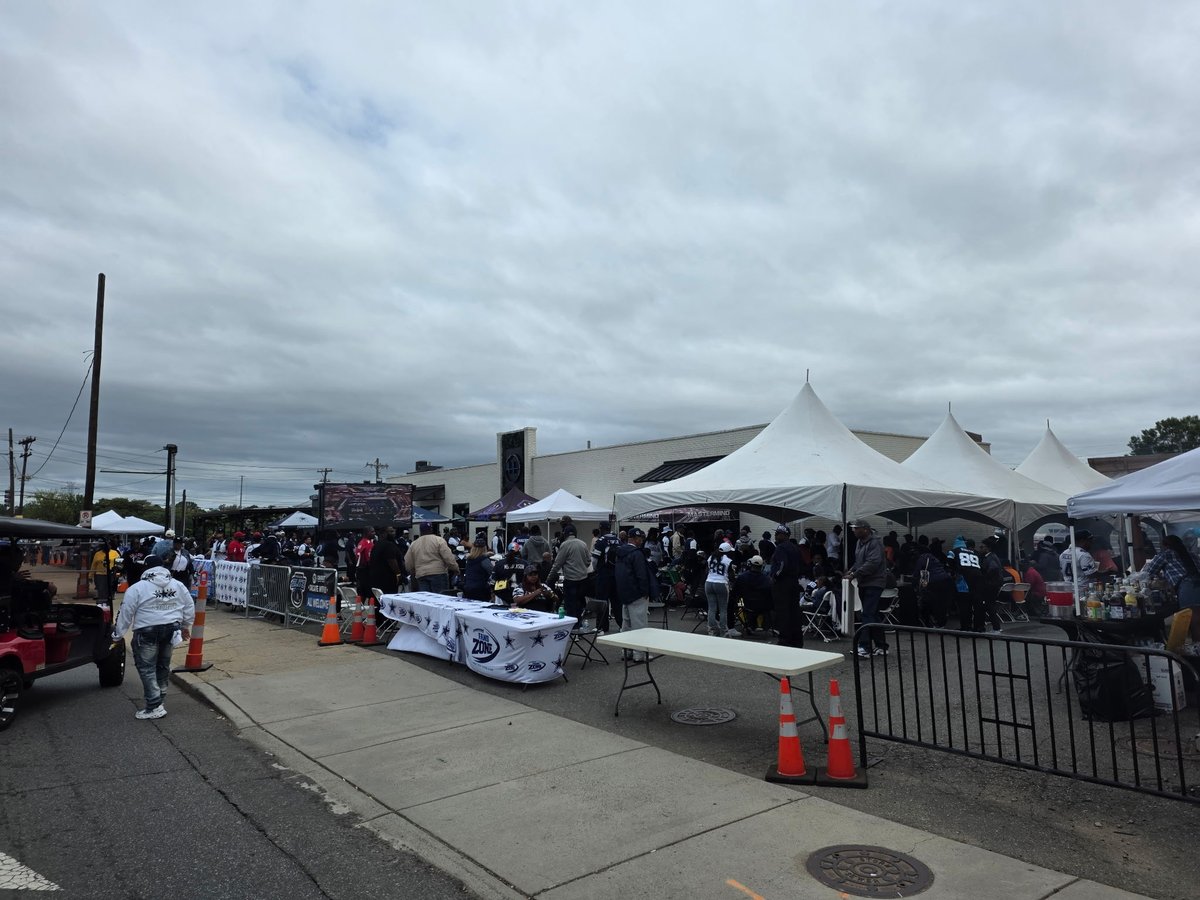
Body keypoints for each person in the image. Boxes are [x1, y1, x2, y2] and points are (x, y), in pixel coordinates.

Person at [111, 555, 195, 720]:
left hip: (147, 630)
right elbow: (189, 606)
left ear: (146, 568)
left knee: (147, 667)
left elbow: (126, 612)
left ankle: (154, 705)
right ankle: (159, 700)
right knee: (163, 665)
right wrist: (186, 625)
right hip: (172, 628)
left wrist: (117, 634)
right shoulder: (178, 585)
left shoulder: (137, 588)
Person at [1138, 535, 1200, 644]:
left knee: (1195, 620)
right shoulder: (1192, 555)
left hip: (1189, 586)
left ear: (1165, 545)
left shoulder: (1165, 554)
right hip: (1195, 582)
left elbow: (1147, 573)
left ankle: (1197, 650)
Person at [613, 528, 658, 660]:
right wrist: (645, 592)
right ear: (634, 538)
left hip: (624, 592)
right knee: (639, 624)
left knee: (626, 625)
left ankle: (626, 652)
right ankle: (639, 654)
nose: (642, 540)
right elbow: (641, 575)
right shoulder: (637, 554)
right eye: (640, 538)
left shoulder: (620, 552)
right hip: (637, 593)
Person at [844, 520, 887, 657]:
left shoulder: (875, 543)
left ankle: (865, 646)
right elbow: (859, 562)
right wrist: (851, 571)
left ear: (865, 529)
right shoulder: (860, 543)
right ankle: (881, 646)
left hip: (874, 582)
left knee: (867, 613)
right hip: (865, 582)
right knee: (873, 614)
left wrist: (855, 574)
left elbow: (873, 563)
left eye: (856, 528)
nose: (854, 531)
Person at [547, 524, 590, 621]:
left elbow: (557, 564)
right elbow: (588, 561)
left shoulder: (565, 545)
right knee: (579, 604)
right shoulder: (583, 544)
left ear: (565, 534)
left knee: (570, 606)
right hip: (583, 579)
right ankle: (579, 625)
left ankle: (572, 628)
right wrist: (582, 567)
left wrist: (549, 578)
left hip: (570, 580)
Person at [770, 525, 804, 648]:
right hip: (794, 583)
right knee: (794, 612)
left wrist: (775, 576)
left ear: (784, 535)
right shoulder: (795, 548)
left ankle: (784, 639)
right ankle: (797, 640)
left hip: (783, 584)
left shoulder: (781, 548)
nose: (776, 536)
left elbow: (782, 565)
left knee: (783, 612)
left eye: (778, 533)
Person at [404, 523, 460, 593]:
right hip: (438, 573)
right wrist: (455, 569)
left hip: (421, 575)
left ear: (420, 531)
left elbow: (408, 563)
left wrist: (413, 571)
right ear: (431, 529)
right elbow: (448, 558)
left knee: (426, 600)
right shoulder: (439, 540)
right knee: (439, 599)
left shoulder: (414, 544)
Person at [914, 538, 953, 627]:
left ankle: (933, 623)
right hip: (947, 580)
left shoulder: (923, 558)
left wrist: (915, 582)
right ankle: (941, 623)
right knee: (942, 603)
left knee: (933, 602)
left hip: (935, 582)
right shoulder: (934, 558)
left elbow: (917, 573)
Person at [704, 540, 739, 637]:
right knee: (723, 609)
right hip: (721, 584)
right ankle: (724, 631)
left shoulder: (711, 557)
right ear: (728, 551)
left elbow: (707, 571)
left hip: (709, 582)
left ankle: (712, 630)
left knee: (711, 608)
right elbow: (731, 577)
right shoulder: (728, 560)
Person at [731, 554, 773, 634]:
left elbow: (735, 591)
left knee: (737, 601)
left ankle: (747, 624)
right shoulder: (767, 579)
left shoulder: (742, 577)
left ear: (751, 564)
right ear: (761, 566)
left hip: (745, 605)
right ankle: (759, 625)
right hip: (762, 606)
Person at [978, 536, 1010, 635]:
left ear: (988, 548)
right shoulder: (993, 556)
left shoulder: (990, 558)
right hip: (993, 584)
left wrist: (984, 576)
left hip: (991, 585)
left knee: (989, 606)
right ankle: (995, 627)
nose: (980, 548)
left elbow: (993, 568)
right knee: (989, 606)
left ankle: (996, 628)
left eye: (982, 547)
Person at [367, 526, 406, 596]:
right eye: (390, 531)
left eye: (394, 531)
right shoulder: (388, 545)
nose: (393, 533)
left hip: (376, 581)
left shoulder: (376, 545)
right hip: (388, 582)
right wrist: (399, 575)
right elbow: (392, 561)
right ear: (383, 534)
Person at [461, 536, 495, 601]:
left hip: (467, 589)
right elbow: (492, 571)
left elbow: (478, 556)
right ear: (484, 548)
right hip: (481, 590)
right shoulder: (484, 560)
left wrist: (486, 555)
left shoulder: (469, 559)